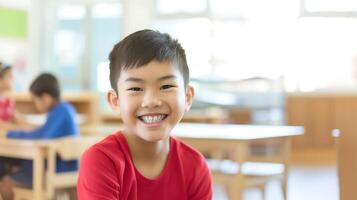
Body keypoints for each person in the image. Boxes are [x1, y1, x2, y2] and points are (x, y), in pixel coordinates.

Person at [77, 29, 212, 200]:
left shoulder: (195, 166)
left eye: (166, 86)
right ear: (115, 101)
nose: (151, 101)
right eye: (135, 89)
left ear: (187, 97)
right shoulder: (101, 161)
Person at [0, 73, 79, 200]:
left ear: (45, 98)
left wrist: (10, 133)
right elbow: (44, 133)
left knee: (5, 182)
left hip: (55, 169)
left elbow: (42, 136)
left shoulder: (60, 111)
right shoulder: (65, 109)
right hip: (63, 167)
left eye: (35, 100)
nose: (35, 104)